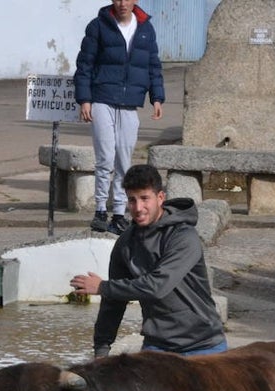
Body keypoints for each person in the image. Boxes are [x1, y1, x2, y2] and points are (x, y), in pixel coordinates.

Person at [70, 164, 226, 357]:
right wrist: (101, 351)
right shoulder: (125, 243)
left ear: (160, 198)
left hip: (203, 345)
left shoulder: (184, 236)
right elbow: (113, 303)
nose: (138, 208)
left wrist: (102, 287)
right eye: (132, 200)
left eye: (145, 198)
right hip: (157, 346)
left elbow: (158, 287)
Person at [74, 0, 165, 236]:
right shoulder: (98, 26)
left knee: (124, 160)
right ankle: (100, 211)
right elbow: (84, 65)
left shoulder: (145, 29)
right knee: (105, 157)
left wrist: (157, 97)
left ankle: (119, 213)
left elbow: (153, 66)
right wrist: (85, 99)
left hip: (130, 102)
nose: (122, 3)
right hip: (102, 98)